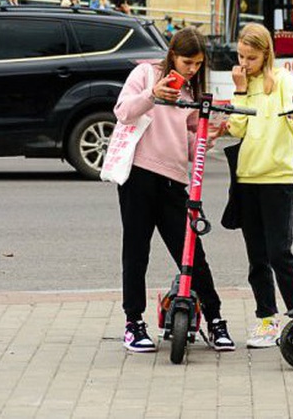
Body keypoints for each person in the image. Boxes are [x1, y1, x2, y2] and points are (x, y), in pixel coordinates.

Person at [112, 27, 235, 353]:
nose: (191, 69)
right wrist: (153, 95)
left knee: (191, 253)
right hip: (138, 176)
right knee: (136, 251)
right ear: (172, 55)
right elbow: (122, 112)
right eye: (186, 62)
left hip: (173, 181)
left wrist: (211, 136)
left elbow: (191, 141)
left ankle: (215, 318)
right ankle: (133, 323)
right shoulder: (145, 74)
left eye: (197, 64)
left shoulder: (191, 91)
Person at [224, 23, 293, 348]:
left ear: (266, 54)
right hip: (247, 178)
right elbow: (236, 128)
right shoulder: (244, 83)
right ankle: (265, 319)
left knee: (280, 253)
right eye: (241, 56)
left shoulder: (285, 81)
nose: (245, 63)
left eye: (252, 57)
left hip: (278, 178)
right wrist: (240, 89)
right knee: (257, 256)